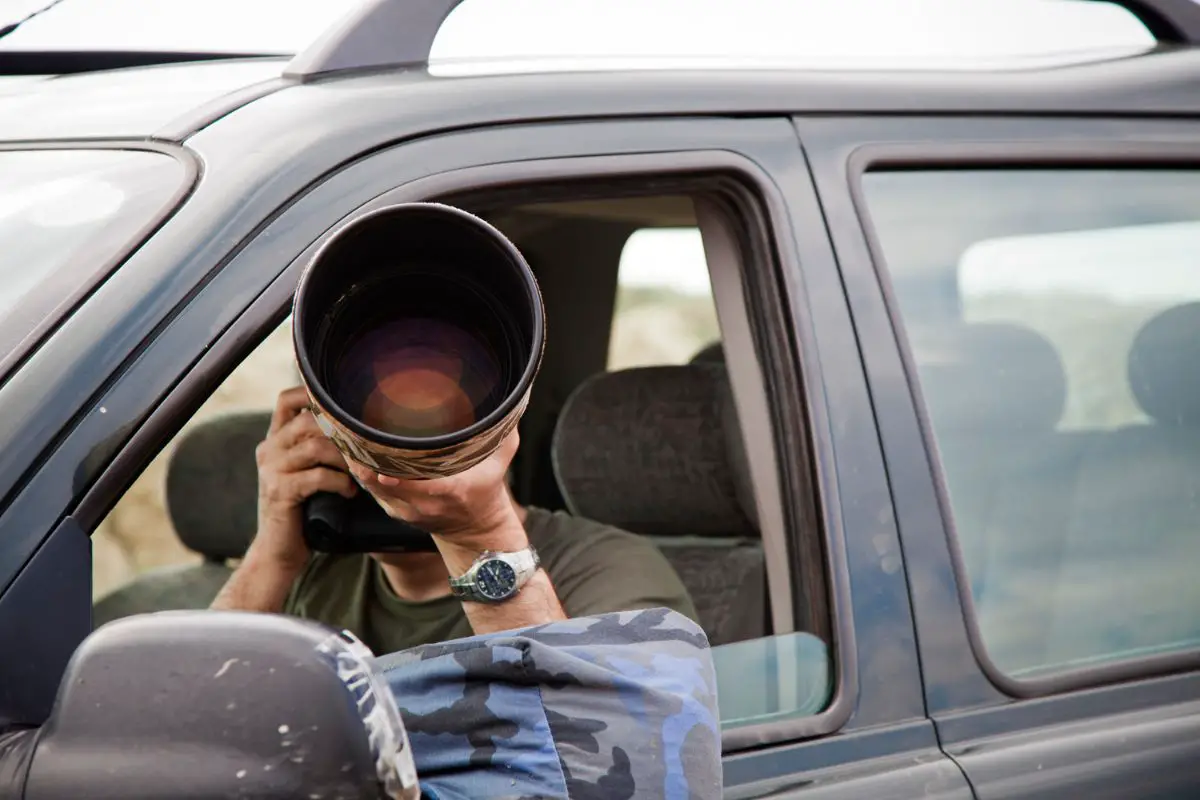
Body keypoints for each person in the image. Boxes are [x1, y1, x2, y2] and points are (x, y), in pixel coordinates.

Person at [212, 387, 698, 655]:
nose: (393, 434)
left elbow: (602, 768)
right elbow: (185, 725)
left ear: (502, 419)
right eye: (357, 406)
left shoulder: (608, 573)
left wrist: (478, 534)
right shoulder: (308, 575)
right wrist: (270, 557)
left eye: (428, 406)